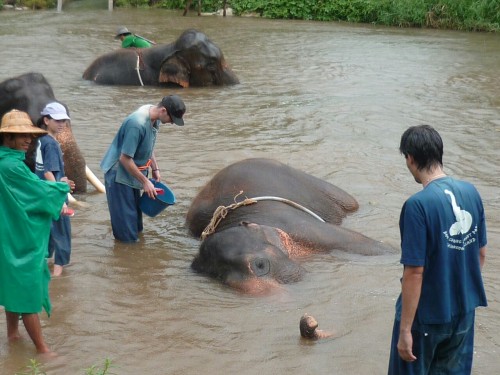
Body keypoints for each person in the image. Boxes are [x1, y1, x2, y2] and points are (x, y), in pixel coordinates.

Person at [388, 125, 488, 374]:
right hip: (464, 312)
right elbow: (481, 253)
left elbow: (415, 272)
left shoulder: (417, 206)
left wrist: (405, 330)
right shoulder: (471, 192)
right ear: (438, 153)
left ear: (410, 158)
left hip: (427, 317)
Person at [0, 109, 71, 355]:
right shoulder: (12, 166)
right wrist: (60, 188)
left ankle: (12, 334)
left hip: (7, 235)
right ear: (8, 139)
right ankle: (43, 350)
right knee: (28, 293)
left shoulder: (6, 162)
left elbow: (29, 191)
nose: (28, 139)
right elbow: (37, 192)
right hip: (19, 239)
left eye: (29, 134)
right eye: (21, 136)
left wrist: (52, 190)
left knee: (13, 287)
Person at [100, 95, 186, 243]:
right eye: (172, 119)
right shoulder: (137, 124)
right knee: (126, 231)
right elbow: (124, 158)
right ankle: (125, 258)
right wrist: (146, 182)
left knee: (136, 225)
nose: (172, 123)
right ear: (163, 110)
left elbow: (148, 145)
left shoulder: (154, 117)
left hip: (134, 173)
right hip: (119, 175)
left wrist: (155, 168)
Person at [35, 102, 75, 277]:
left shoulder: (40, 140)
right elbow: (48, 172)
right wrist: (61, 194)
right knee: (62, 233)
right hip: (54, 195)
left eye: (64, 121)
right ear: (46, 120)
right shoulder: (51, 144)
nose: (62, 124)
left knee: (48, 233)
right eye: (57, 120)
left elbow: (42, 170)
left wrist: (62, 180)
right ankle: (58, 274)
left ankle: (42, 267)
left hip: (42, 195)